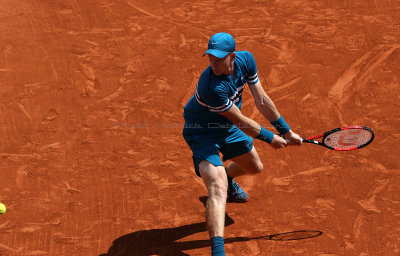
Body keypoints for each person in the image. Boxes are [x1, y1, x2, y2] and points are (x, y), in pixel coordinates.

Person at [182, 32, 302, 256]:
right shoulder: (211, 87)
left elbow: (262, 100)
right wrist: (270, 138)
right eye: (210, 58)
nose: (214, 63)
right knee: (217, 188)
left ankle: (229, 175)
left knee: (255, 167)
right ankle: (218, 252)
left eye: (219, 58)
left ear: (233, 56)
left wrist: (286, 131)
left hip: (226, 128)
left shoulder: (246, 61)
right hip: (202, 132)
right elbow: (240, 121)